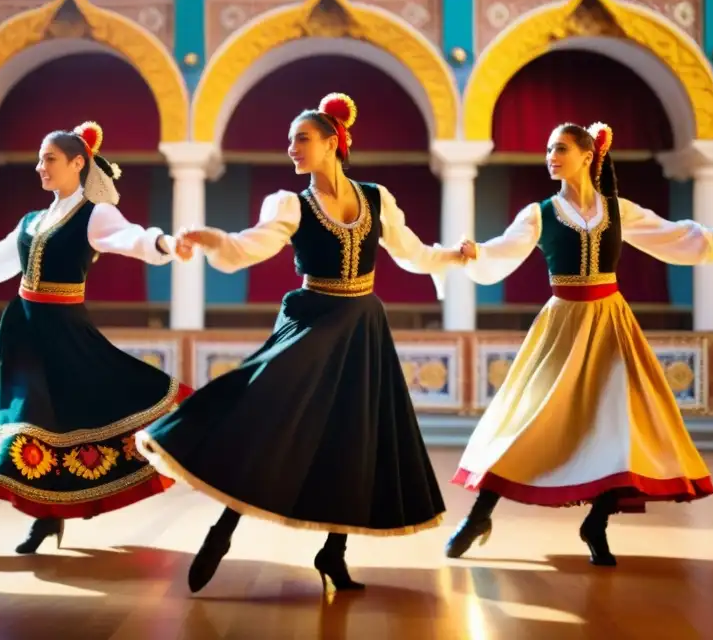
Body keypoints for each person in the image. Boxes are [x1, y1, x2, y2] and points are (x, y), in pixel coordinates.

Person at [135, 93, 468, 594]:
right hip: (313, 323)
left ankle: (333, 552)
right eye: (290, 140)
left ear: (332, 142)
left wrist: (452, 258)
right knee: (268, 418)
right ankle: (222, 531)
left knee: (355, 436)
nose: (291, 148)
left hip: (362, 328)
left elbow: (412, 253)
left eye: (302, 139)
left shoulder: (377, 199)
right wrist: (214, 240)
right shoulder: (291, 203)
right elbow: (254, 243)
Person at [446, 122, 713, 567]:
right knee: (530, 420)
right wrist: (477, 252)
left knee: (622, 427)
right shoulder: (540, 213)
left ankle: (598, 521)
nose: (551, 156)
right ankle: (479, 515)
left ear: (588, 156)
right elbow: (504, 250)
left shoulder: (617, 210)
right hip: (562, 324)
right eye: (548, 148)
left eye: (561, 148)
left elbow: (669, 235)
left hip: (611, 322)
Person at [0, 122, 194, 554]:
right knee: (26, 425)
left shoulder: (95, 214)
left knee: (72, 420)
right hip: (22, 334)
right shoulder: (32, 221)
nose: (40, 167)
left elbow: (131, 237)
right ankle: (44, 517)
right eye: (39, 159)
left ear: (78, 163)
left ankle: (55, 512)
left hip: (66, 334)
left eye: (49, 159)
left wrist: (166, 244)